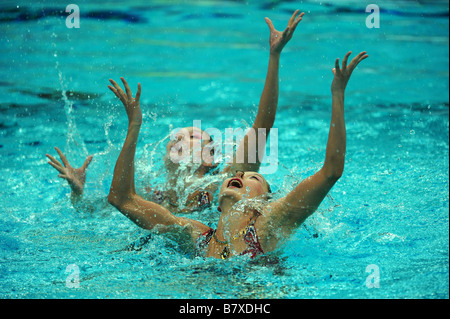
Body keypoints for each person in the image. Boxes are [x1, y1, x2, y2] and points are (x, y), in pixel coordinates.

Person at [107, 51, 369, 259]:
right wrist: (134, 126)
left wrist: (337, 94)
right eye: (241, 173)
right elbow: (122, 199)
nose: (241, 173)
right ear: (218, 204)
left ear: (264, 202)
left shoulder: (270, 224)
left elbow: (331, 171)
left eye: (253, 177)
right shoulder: (196, 234)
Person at [46, 10, 305, 214]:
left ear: (209, 158)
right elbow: (101, 210)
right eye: (177, 137)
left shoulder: (222, 187)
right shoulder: (153, 195)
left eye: (191, 137)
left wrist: (274, 56)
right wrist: (78, 194)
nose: (178, 140)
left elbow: (262, 127)